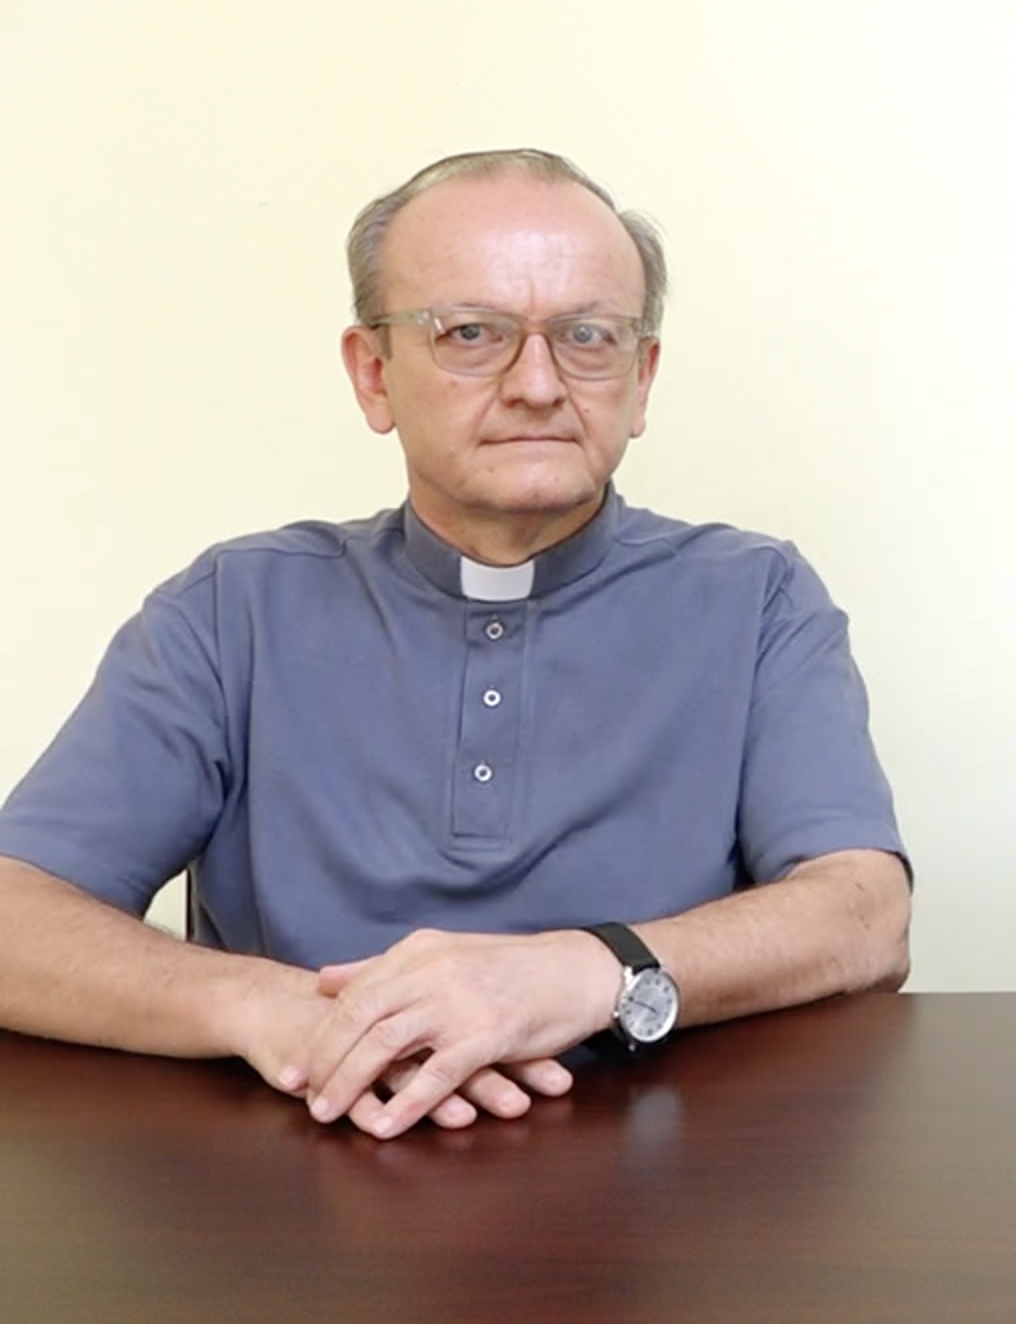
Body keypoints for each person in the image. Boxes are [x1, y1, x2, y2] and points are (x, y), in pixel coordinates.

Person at [0, 149, 910, 1137]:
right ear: (372, 371)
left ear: (641, 380)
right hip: (301, 1175)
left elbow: (862, 913)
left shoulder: (756, 598)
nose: (536, 384)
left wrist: (592, 970)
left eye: (588, 336)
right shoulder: (234, 609)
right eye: (470, 333)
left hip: (658, 1194)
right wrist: (274, 1011)